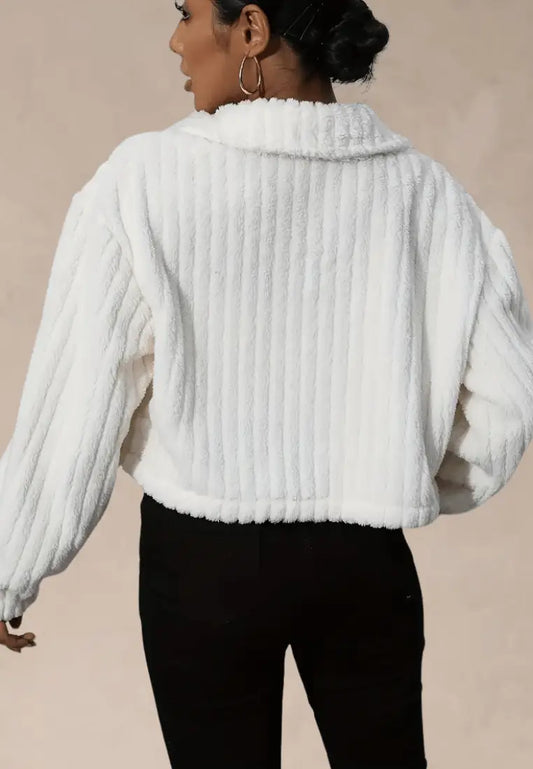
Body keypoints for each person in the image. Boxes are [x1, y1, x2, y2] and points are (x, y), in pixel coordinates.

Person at [2, 1, 533, 767]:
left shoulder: (140, 183)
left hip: (202, 563)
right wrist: (391, 469)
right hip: (363, 559)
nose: (176, 40)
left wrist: (9, 568)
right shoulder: (429, 195)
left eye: (188, 14)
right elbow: (505, 408)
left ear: (250, 30)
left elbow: (76, 402)